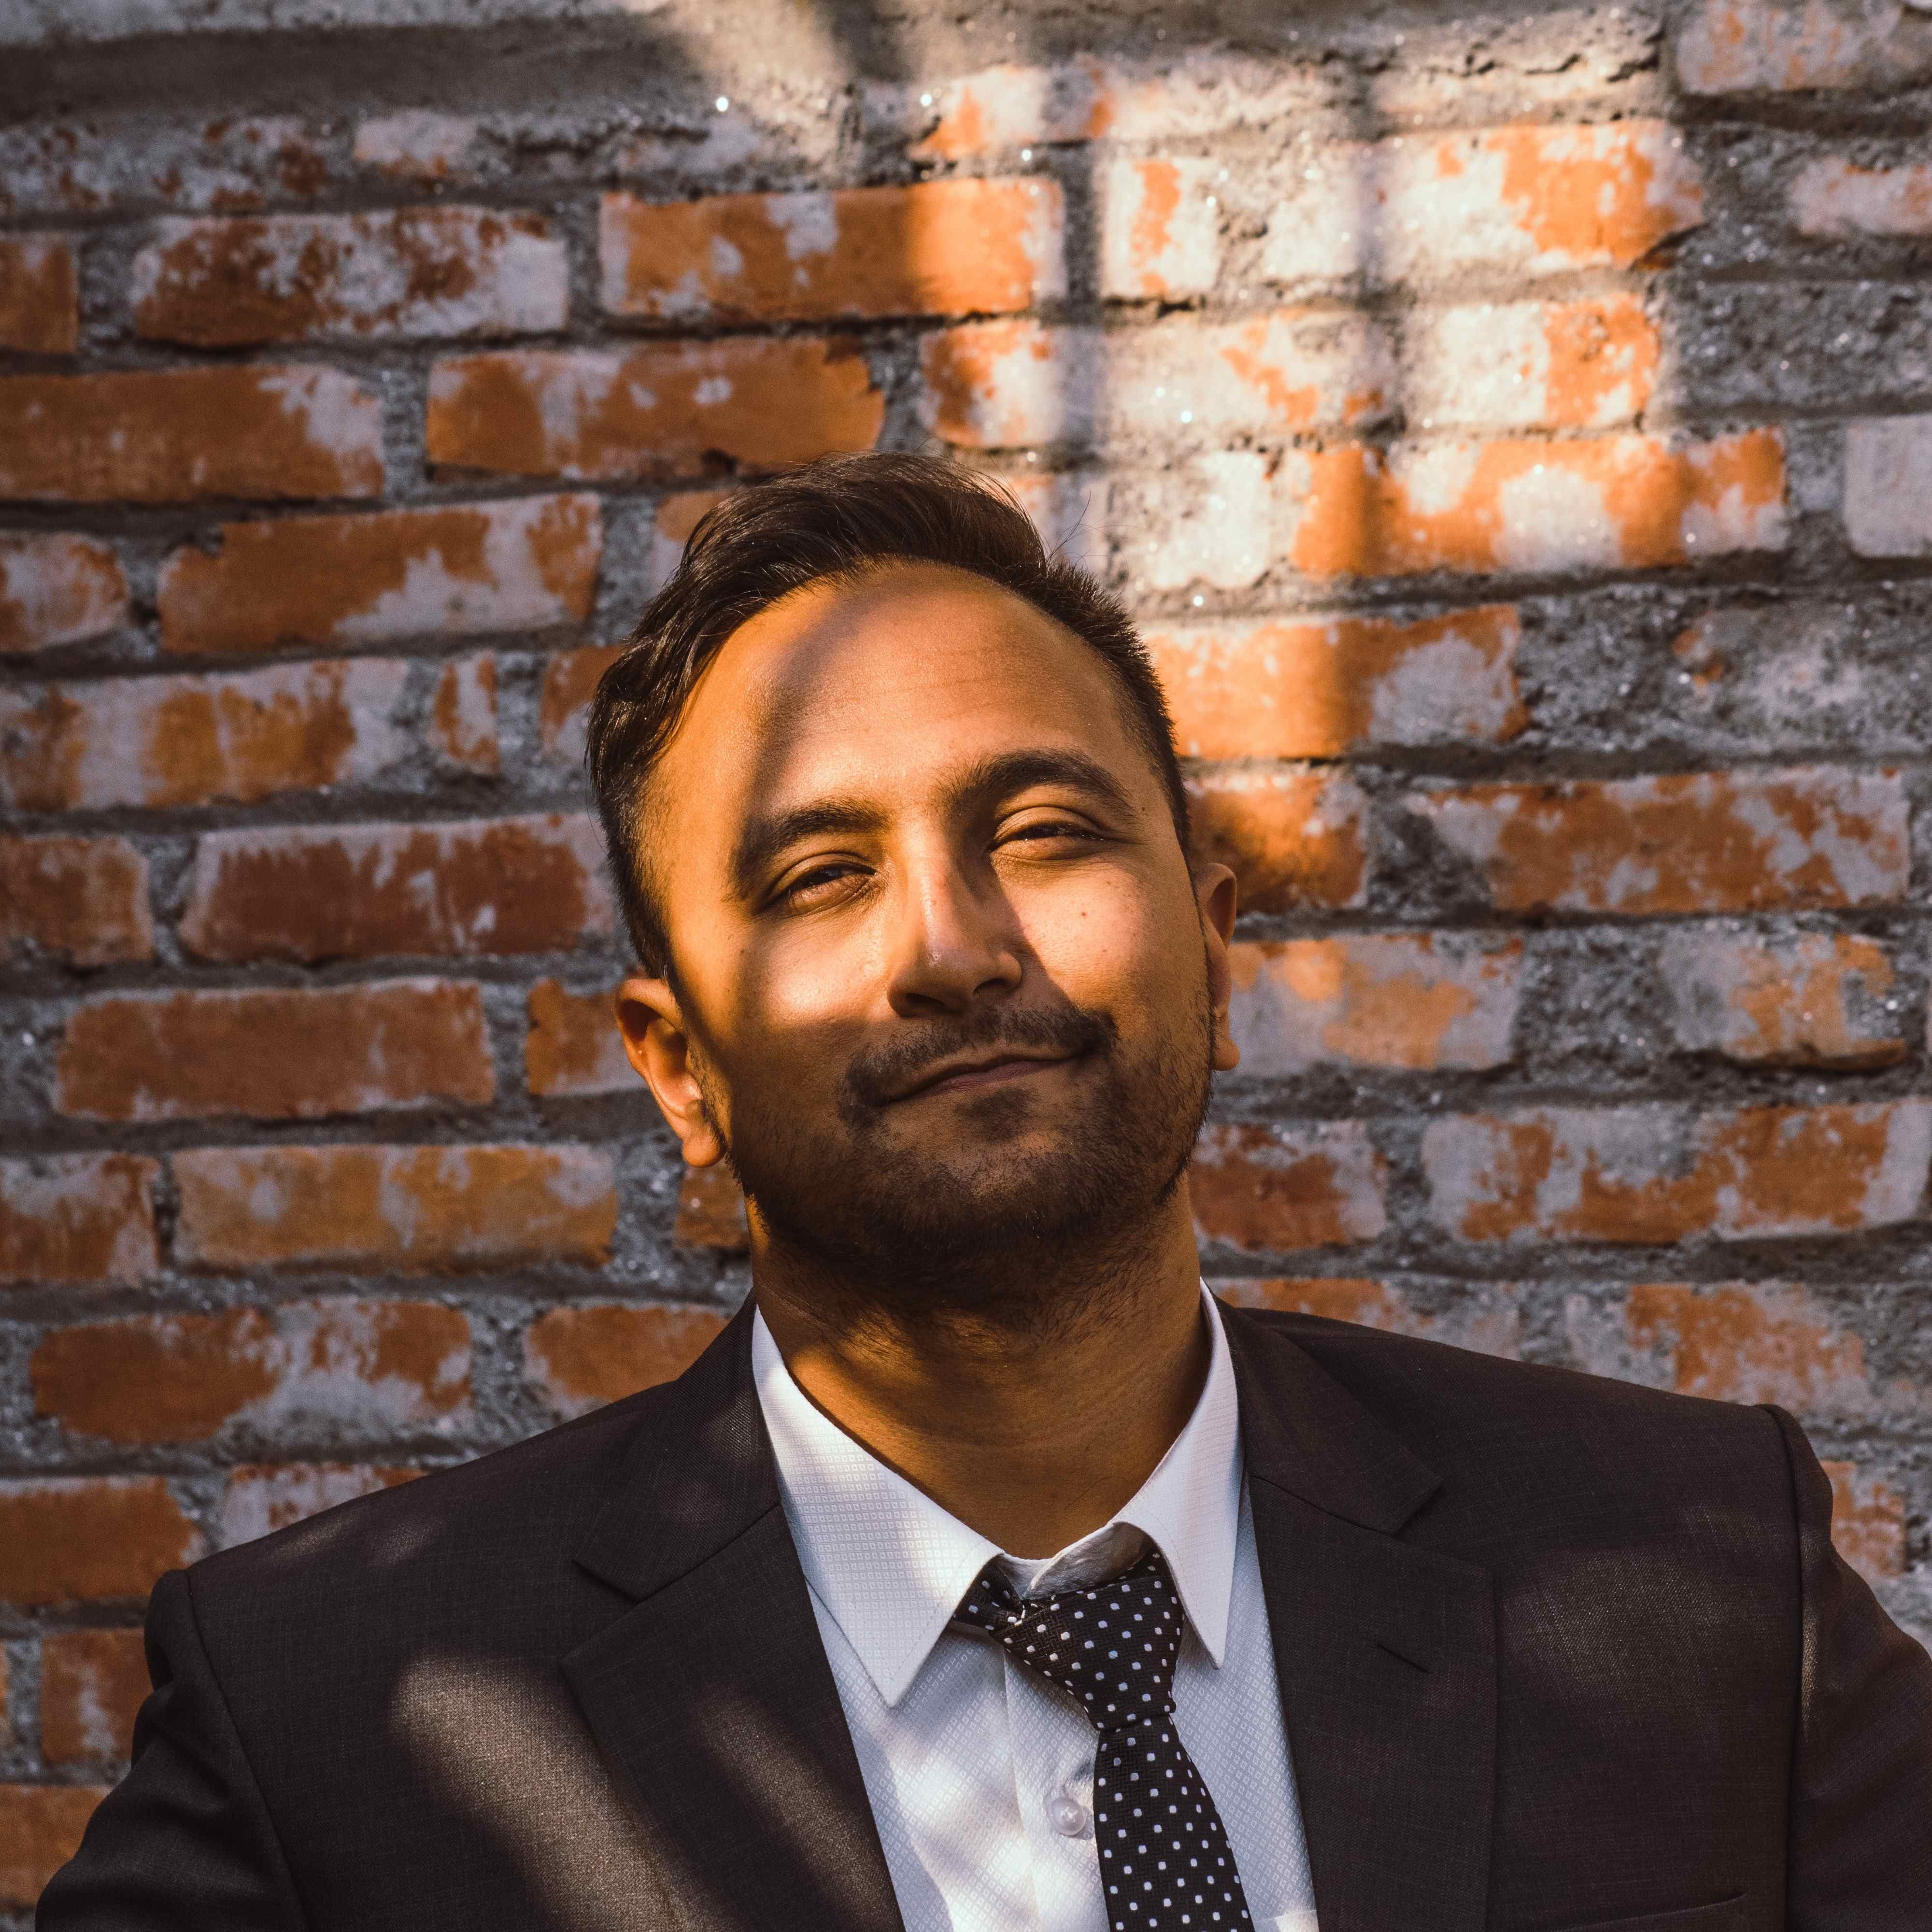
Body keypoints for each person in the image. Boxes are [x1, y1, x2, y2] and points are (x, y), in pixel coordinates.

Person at [40, 453, 1932, 1932]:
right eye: (814, 878)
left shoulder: (1694, 1572)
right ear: (677, 1067)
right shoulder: (339, 1722)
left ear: (1207, 932)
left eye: (1041, 831)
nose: (952, 947)